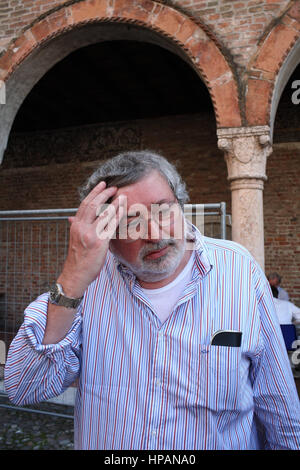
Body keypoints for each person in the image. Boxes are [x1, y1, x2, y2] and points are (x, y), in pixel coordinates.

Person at [4, 150, 300, 450]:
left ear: (181, 204)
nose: (154, 234)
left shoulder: (239, 270)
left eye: (163, 211)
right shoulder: (86, 286)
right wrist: (71, 279)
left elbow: (278, 402)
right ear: (104, 232)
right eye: (131, 222)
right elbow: (24, 387)